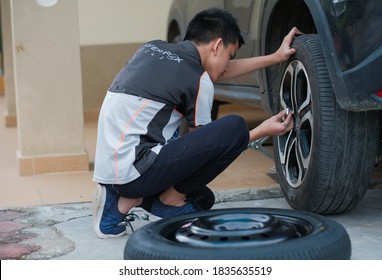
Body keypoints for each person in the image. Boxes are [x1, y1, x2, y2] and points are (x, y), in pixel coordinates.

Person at [92, 7, 301, 238]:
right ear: (217, 45)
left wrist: (275, 57)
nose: (227, 66)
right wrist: (261, 131)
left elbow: (217, 70)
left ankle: (119, 204)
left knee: (202, 198)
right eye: (230, 56)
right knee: (234, 128)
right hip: (135, 169)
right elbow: (209, 148)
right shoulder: (198, 79)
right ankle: (166, 201)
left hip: (114, 166)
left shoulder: (153, 49)